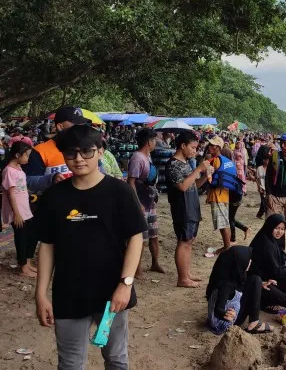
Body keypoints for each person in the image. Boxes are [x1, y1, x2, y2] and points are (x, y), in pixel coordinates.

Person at [34, 124, 147, 369]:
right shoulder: (53, 197)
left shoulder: (120, 192)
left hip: (111, 297)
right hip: (68, 296)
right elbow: (47, 245)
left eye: (86, 151)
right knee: (70, 363)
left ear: (100, 151)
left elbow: (136, 238)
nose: (79, 159)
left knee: (115, 358)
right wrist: (40, 294)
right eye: (71, 153)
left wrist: (125, 284)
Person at [166, 131, 212, 288]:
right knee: (184, 241)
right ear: (183, 146)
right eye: (193, 147)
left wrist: (205, 176)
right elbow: (183, 186)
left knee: (189, 240)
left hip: (192, 206)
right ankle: (182, 278)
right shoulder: (173, 164)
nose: (195, 151)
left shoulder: (186, 164)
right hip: (182, 208)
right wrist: (199, 169)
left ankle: (187, 273)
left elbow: (194, 184)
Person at [205, 246, 273, 334]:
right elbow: (218, 309)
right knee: (256, 280)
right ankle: (254, 323)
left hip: (226, 310)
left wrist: (260, 285)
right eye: (248, 260)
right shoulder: (226, 285)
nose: (250, 261)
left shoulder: (227, 272)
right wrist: (225, 314)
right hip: (225, 322)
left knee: (255, 280)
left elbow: (245, 284)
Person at [127, 128, 164, 277]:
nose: (155, 143)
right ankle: (137, 268)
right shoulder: (137, 158)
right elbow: (131, 182)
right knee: (140, 238)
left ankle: (155, 263)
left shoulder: (147, 156)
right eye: (154, 140)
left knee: (154, 235)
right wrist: (137, 203)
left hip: (150, 202)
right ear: (149, 142)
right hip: (141, 203)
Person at [2, 142, 36, 278]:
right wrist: (16, 214)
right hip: (17, 212)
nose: (28, 158)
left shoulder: (19, 168)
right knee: (21, 238)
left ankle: (27, 262)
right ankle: (23, 267)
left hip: (25, 209)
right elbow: (11, 194)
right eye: (26, 155)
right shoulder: (8, 171)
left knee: (31, 235)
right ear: (17, 155)